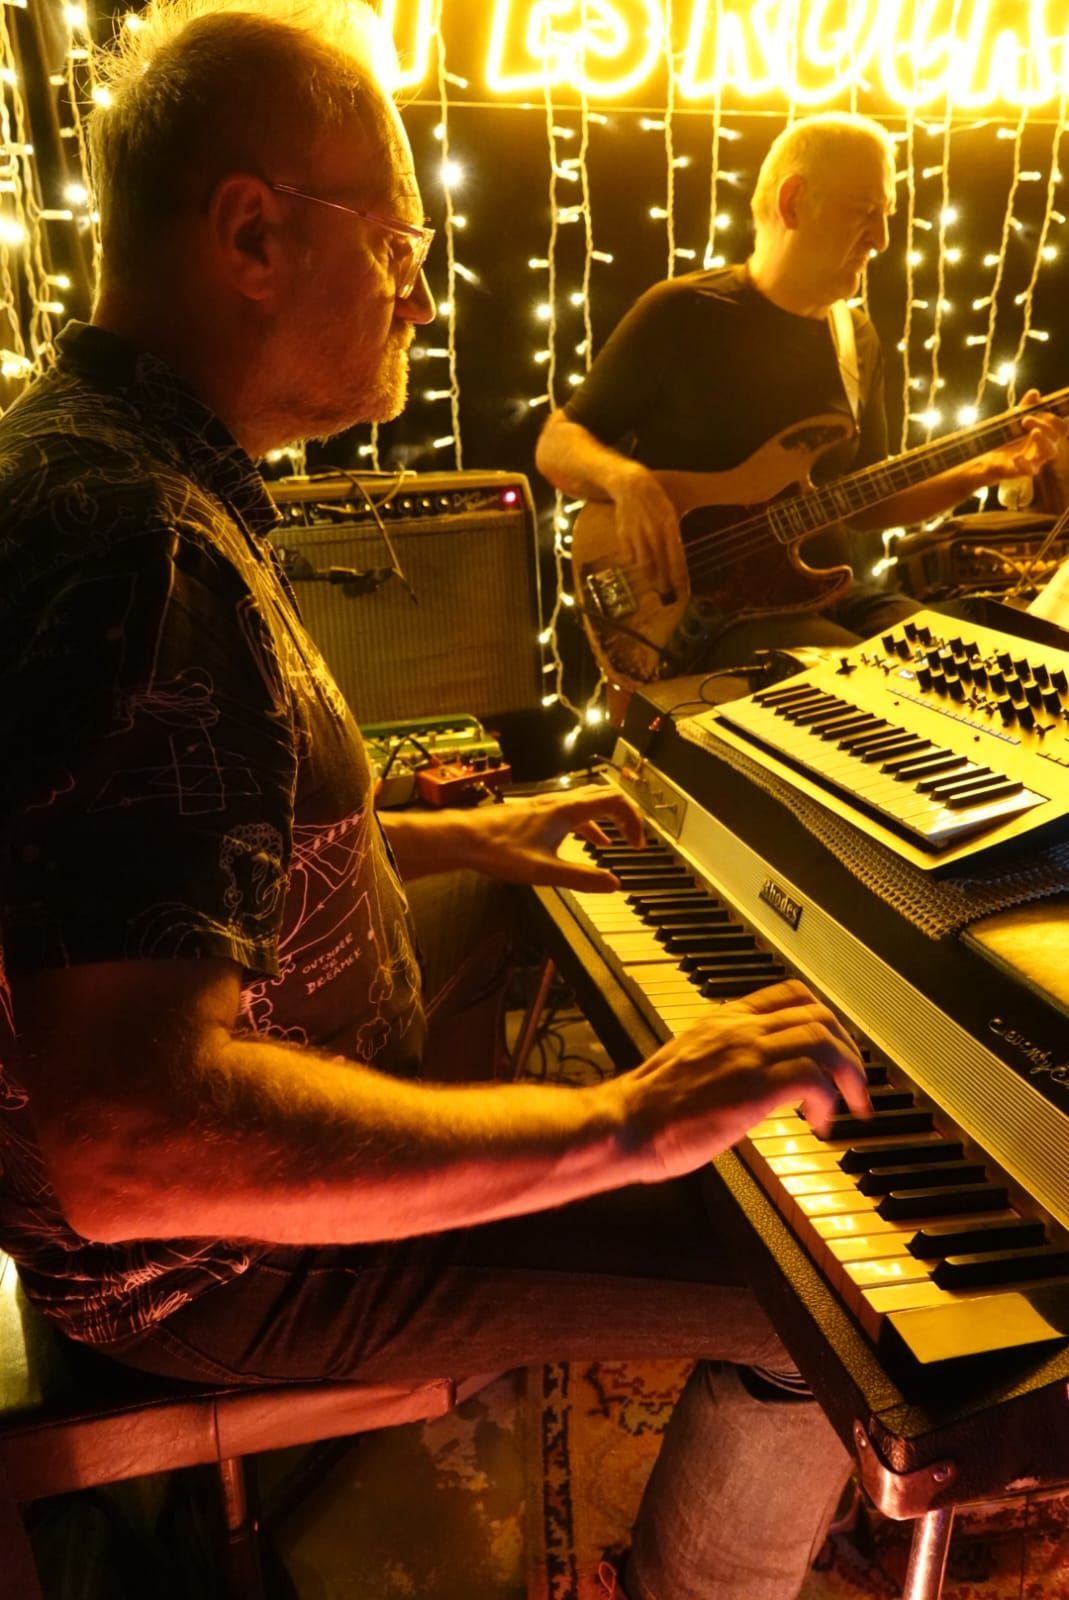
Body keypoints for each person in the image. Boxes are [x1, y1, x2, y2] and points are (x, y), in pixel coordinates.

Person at [0, 7, 872, 1599]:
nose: (419, 291)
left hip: (225, 1173)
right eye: (398, 242)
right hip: (214, 1269)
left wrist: (451, 837)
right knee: (834, 1301)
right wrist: (625, 1124)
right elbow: (131, 1143)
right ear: (252, 236)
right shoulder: (143, 549)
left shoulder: (95, 460)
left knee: (569, 917)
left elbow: (143, 865)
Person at [536, 111, 1066, 674]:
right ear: (792, 203)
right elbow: (556, 444)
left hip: (828, 594)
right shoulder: (684, 311)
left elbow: (870, 501)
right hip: (705, 618)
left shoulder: (856, 340)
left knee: (971, 661)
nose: (882, 239)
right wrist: (626, 481)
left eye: (886, 214)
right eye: (864, 211)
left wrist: (981, 469)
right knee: (860, 684)